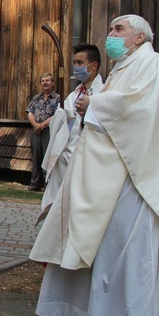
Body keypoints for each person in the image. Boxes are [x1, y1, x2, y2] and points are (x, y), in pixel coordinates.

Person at [30, 15, 159, 316]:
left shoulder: (149, 63)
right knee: (113, 253)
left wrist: (94, 105)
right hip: (120, 175)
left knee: (129, 255)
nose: (110, 35)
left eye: (118, 29)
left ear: (139, 36)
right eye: (110, 29)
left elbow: (136, 112)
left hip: (139, 181)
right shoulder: (128, 66)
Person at [38, 44, 104, 224]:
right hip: (67, 152)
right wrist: (62, 115)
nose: (76, 66)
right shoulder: (75, 93)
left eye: (80, 62)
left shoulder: (103, 93)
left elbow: (105, 123)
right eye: (74, 62)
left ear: (94, 66)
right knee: (62, 206)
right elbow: (63, 118)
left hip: (88, 155)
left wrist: (89, 110)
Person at [26, 73, 60, 191]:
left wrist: (42, 125)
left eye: (47, 81)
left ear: (53, 83)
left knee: (47, 156)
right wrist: (35, 125)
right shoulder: (36, 98)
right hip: (35, 131)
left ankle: (47, 184)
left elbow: (57, 115)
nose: (45, 83)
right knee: (36, 157)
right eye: (43, 81)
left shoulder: (57, 98)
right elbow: (29, 112)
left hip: (48, 131)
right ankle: (35, 184)